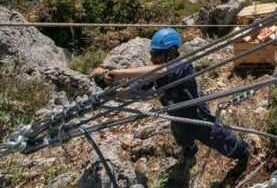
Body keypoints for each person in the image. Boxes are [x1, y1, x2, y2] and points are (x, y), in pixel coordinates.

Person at [92, 29, 250, 181]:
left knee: (218, 136)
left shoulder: (182, 66)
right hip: (176, 113)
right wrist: (115, 92)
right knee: (180, 134)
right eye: (152, 54)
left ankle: (243, 153)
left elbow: (160, 72)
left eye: (157, 54)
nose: (153, 58)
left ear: (172, 52)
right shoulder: (157, 70)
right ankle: (189, 152)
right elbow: (139, 88)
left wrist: (119, 73)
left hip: (194, 113)